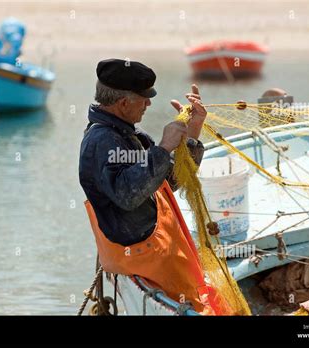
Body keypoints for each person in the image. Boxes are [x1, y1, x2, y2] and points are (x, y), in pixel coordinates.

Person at [79, 58, 224, 314]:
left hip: (158, 248)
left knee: (199, 295)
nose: (148, 103)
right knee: (198, 303)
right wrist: (163, 148)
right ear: (124, 103)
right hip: (142, 256)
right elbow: (127, 196)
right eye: (144, 98)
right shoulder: (101, 141)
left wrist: (192, 133)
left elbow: (168, 182)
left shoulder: (127, 133)